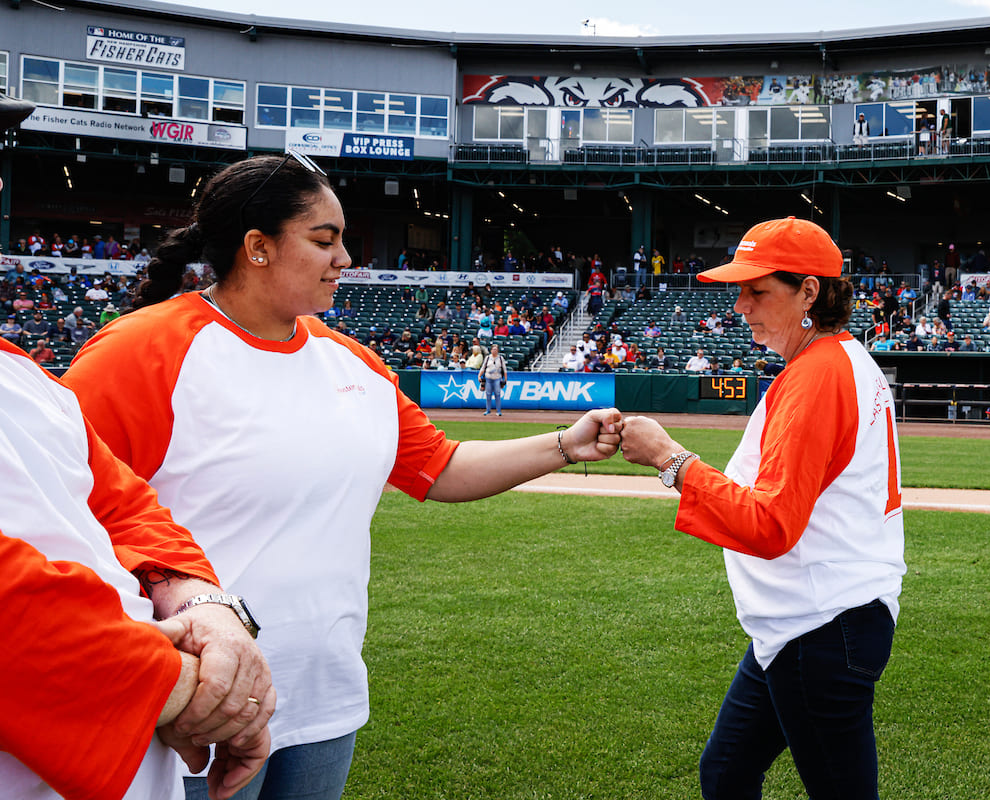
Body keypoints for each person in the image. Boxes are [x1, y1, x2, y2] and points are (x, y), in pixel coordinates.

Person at [64, 153, 624, 800]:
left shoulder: (353, 362)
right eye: (324, 240)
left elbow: (439, 467)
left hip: (326, 697)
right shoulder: (143, 352)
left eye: (343, 241)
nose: (345, 259)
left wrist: (564, 444)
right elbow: (67, 512)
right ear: (258, 247)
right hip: (196, 696)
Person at [0, 93, 272, 800]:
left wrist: (201, 606)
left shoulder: (17, 368)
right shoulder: (139, 345)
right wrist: (189, 690)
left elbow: (120, 505)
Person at [619, 216, 904, 800]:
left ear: (809, 291)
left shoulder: (819, 374)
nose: (741, 305)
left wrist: (669, 458)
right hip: (809, 620)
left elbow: (770, 524)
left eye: (757, 290)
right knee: (725, 772)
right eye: (739, 289)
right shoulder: (834, 361)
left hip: (821, 624)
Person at [479, 342, 507, 415]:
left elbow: (504, 369)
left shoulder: (500, 358)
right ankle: (488, 410)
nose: (494, 351)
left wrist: (505, 380)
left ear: (498, 350)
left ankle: (498, 411)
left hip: (497, 378)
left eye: (496, 349)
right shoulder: (488, 358)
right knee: (488, 394)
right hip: (488, 378)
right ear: (491, 350)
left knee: (497, 394)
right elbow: (483, 368)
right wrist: (479, 376)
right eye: (493, 349)